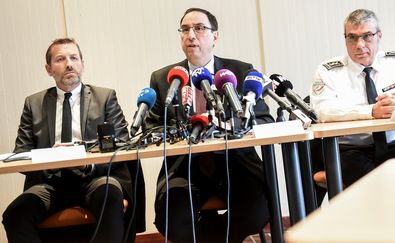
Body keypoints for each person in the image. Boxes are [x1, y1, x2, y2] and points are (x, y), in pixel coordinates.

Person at [146, 8, 273, 243]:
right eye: (185, 29)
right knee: (171, 220)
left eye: (199, 28)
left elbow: (264, 119)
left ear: (215, 36)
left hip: (237, 164)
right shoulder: (166, 77)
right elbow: (151, 126)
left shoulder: (240, 71)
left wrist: (228, 124)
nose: (191, 35)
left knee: (256, 212)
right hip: (185, 167)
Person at [2, 38, 145, 243]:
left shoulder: (104, 97)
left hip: (94, 178)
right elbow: (21, 154)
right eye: (60, 59)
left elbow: (122, 145)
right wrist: (50, 158)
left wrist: (87, 162)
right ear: (48, 69)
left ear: (82, 64)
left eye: (74, 58)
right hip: (50, 183)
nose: (69, 63)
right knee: (15, 214)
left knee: (111, 196)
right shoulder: (33, 104)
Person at [310, 9, 395, 187]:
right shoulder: (328, 71)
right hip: (348, 149)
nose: (359, 44)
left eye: (367, 36)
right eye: (352, 37)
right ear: (345, 39)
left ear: (379, 36)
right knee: (371, 183)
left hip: (390, 145)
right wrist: (371, 111)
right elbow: (323, 111)